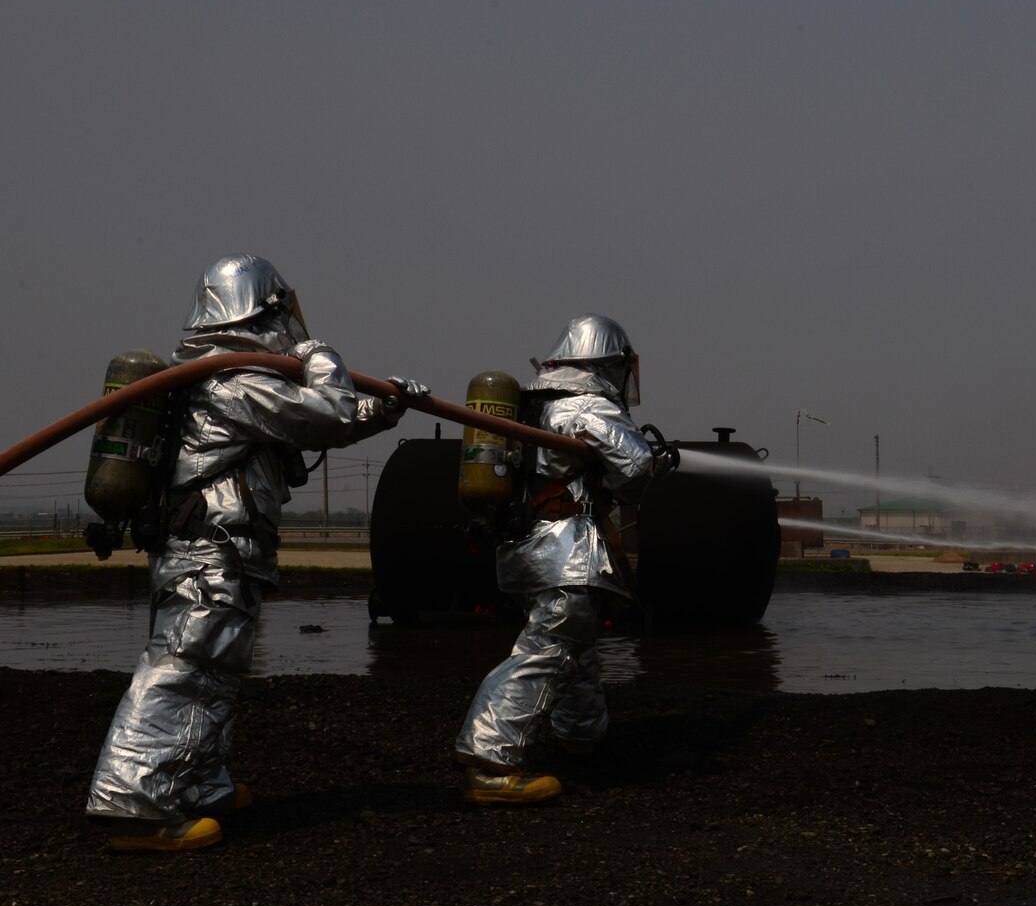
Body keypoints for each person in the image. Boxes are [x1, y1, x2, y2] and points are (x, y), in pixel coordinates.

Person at [85, 255, 424, 852]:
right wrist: (323, 357)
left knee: (217, 672)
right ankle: (133, 802)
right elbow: (328, 412)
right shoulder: (232, 378)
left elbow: (321, 421)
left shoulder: (230, 378)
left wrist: (386, 408)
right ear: (264, 310)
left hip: (224, 551)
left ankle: (195, 783)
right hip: (209, 550)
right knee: (185, 665)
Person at [453, 314, 656, 804]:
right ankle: (490, 758)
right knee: (547, 650)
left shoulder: (536, 403)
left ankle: (579, 735)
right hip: (566, 547)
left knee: (576, 644)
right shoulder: (586, 403)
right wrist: (646, 467)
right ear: (607, 363)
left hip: (532, 547)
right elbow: (636, 465)